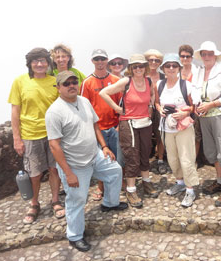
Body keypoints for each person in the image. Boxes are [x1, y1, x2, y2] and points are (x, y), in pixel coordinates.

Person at [46, 71, 127, 252]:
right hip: (74, 164)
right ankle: (75, 236)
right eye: (66, 83)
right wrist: (68, 173)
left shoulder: (84, 101)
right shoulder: (54, 112)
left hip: (94, 155)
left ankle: (110, 203)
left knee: (115, 171)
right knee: (77, 199)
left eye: (74, 82)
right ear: (58, 87)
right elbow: (54, 146)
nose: (71, 85)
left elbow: (94, 124)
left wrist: (104, 147)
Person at [8, 47, 64, 224]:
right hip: (30, 135)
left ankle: (55, 200)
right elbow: (15, 111)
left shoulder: (55, 81)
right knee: (34, 173)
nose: (40, 64)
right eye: (35, 61)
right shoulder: (20, 82)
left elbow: (63, 108)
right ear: (30, 64)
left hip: (54, 134)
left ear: (48, 63)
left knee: (55, 169)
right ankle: (34, 203)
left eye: (43, 60)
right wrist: (17, 139)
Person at [100, 54, 158, 208]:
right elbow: (103, 93)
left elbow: (151, 94)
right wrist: (118, 109)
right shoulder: (126, 81)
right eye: (135, 66)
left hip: (145, 122)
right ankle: (131, 190)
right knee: (132, 155)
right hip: (129, 123)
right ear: (131, 68)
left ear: (145, 67)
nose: (138, 69)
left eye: (141, 66)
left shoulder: (149, 81)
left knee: (146, 152)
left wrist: (151, 107)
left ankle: (146, 182)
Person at [192, 41, 221, 207]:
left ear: (215, 55)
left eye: (209, 54)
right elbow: (195, 92)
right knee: (212, 150)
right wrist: (198, 106)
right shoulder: (200, 72)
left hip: (220, 115)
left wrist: (210, 105)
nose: (206, 57)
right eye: (204, 54)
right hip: (205, 117)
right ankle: (219, 181)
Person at [155, 53, 198, 208]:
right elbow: (156, 102)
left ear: (179, 68)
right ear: (163, 69)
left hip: (184, 127)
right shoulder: (159, 85)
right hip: (167, 127)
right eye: (168, 66)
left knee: (186, 158)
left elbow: (195, 106)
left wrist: (185, 113)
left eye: (174, 65)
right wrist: (159, 110)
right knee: (172, 158)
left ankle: (190, 190)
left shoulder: (186, 85)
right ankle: (179, 182)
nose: (171, 68)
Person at [80, 49, 124, 201]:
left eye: (102, 59)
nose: (100, 62)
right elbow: (83, 106)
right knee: (101, 160)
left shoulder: (116, 80)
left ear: (107, 61)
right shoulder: (87, 82)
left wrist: (119, 124)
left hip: (114, 126)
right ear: (92, 61)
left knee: (118, 157)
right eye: (97, 59)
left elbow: (121, 103)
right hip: (97, 128)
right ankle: (101, 187)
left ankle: (120, 184)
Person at [179, 44, 202, 164]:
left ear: (192, 58)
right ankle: (182, 160)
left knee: (195, 135)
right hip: (180, 108)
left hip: (194, 107)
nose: (185, 59)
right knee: (181, 134)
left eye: (188, 56)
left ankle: (193, 160)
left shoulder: (197, 71)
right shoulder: (175, 71)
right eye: (182, 56)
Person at [144, 49, 166, 174]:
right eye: (150, 60)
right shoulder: (141, 75)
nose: (153, 62)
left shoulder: (164, 77)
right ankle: (144, 161)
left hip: (159, 109)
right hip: (144, 110)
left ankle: (160, 160)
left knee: (160, 136)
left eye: (156, 60)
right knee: (144, 136)